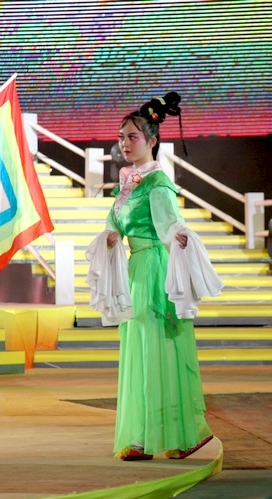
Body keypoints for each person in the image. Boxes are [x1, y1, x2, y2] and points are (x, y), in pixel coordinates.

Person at [104, 95, 215, 461]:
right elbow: (114, 222)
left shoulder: (157, 183)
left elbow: (170, 223)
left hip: (154, 269)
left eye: (132, 136)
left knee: (158, 350)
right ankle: (143, 436)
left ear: (152, 140)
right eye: (121, 137)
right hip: (136, 268)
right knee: (140, 350)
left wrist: (178, 234)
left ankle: (181, 434)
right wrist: (111, 235)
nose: (125, 143)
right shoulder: (128, 183)